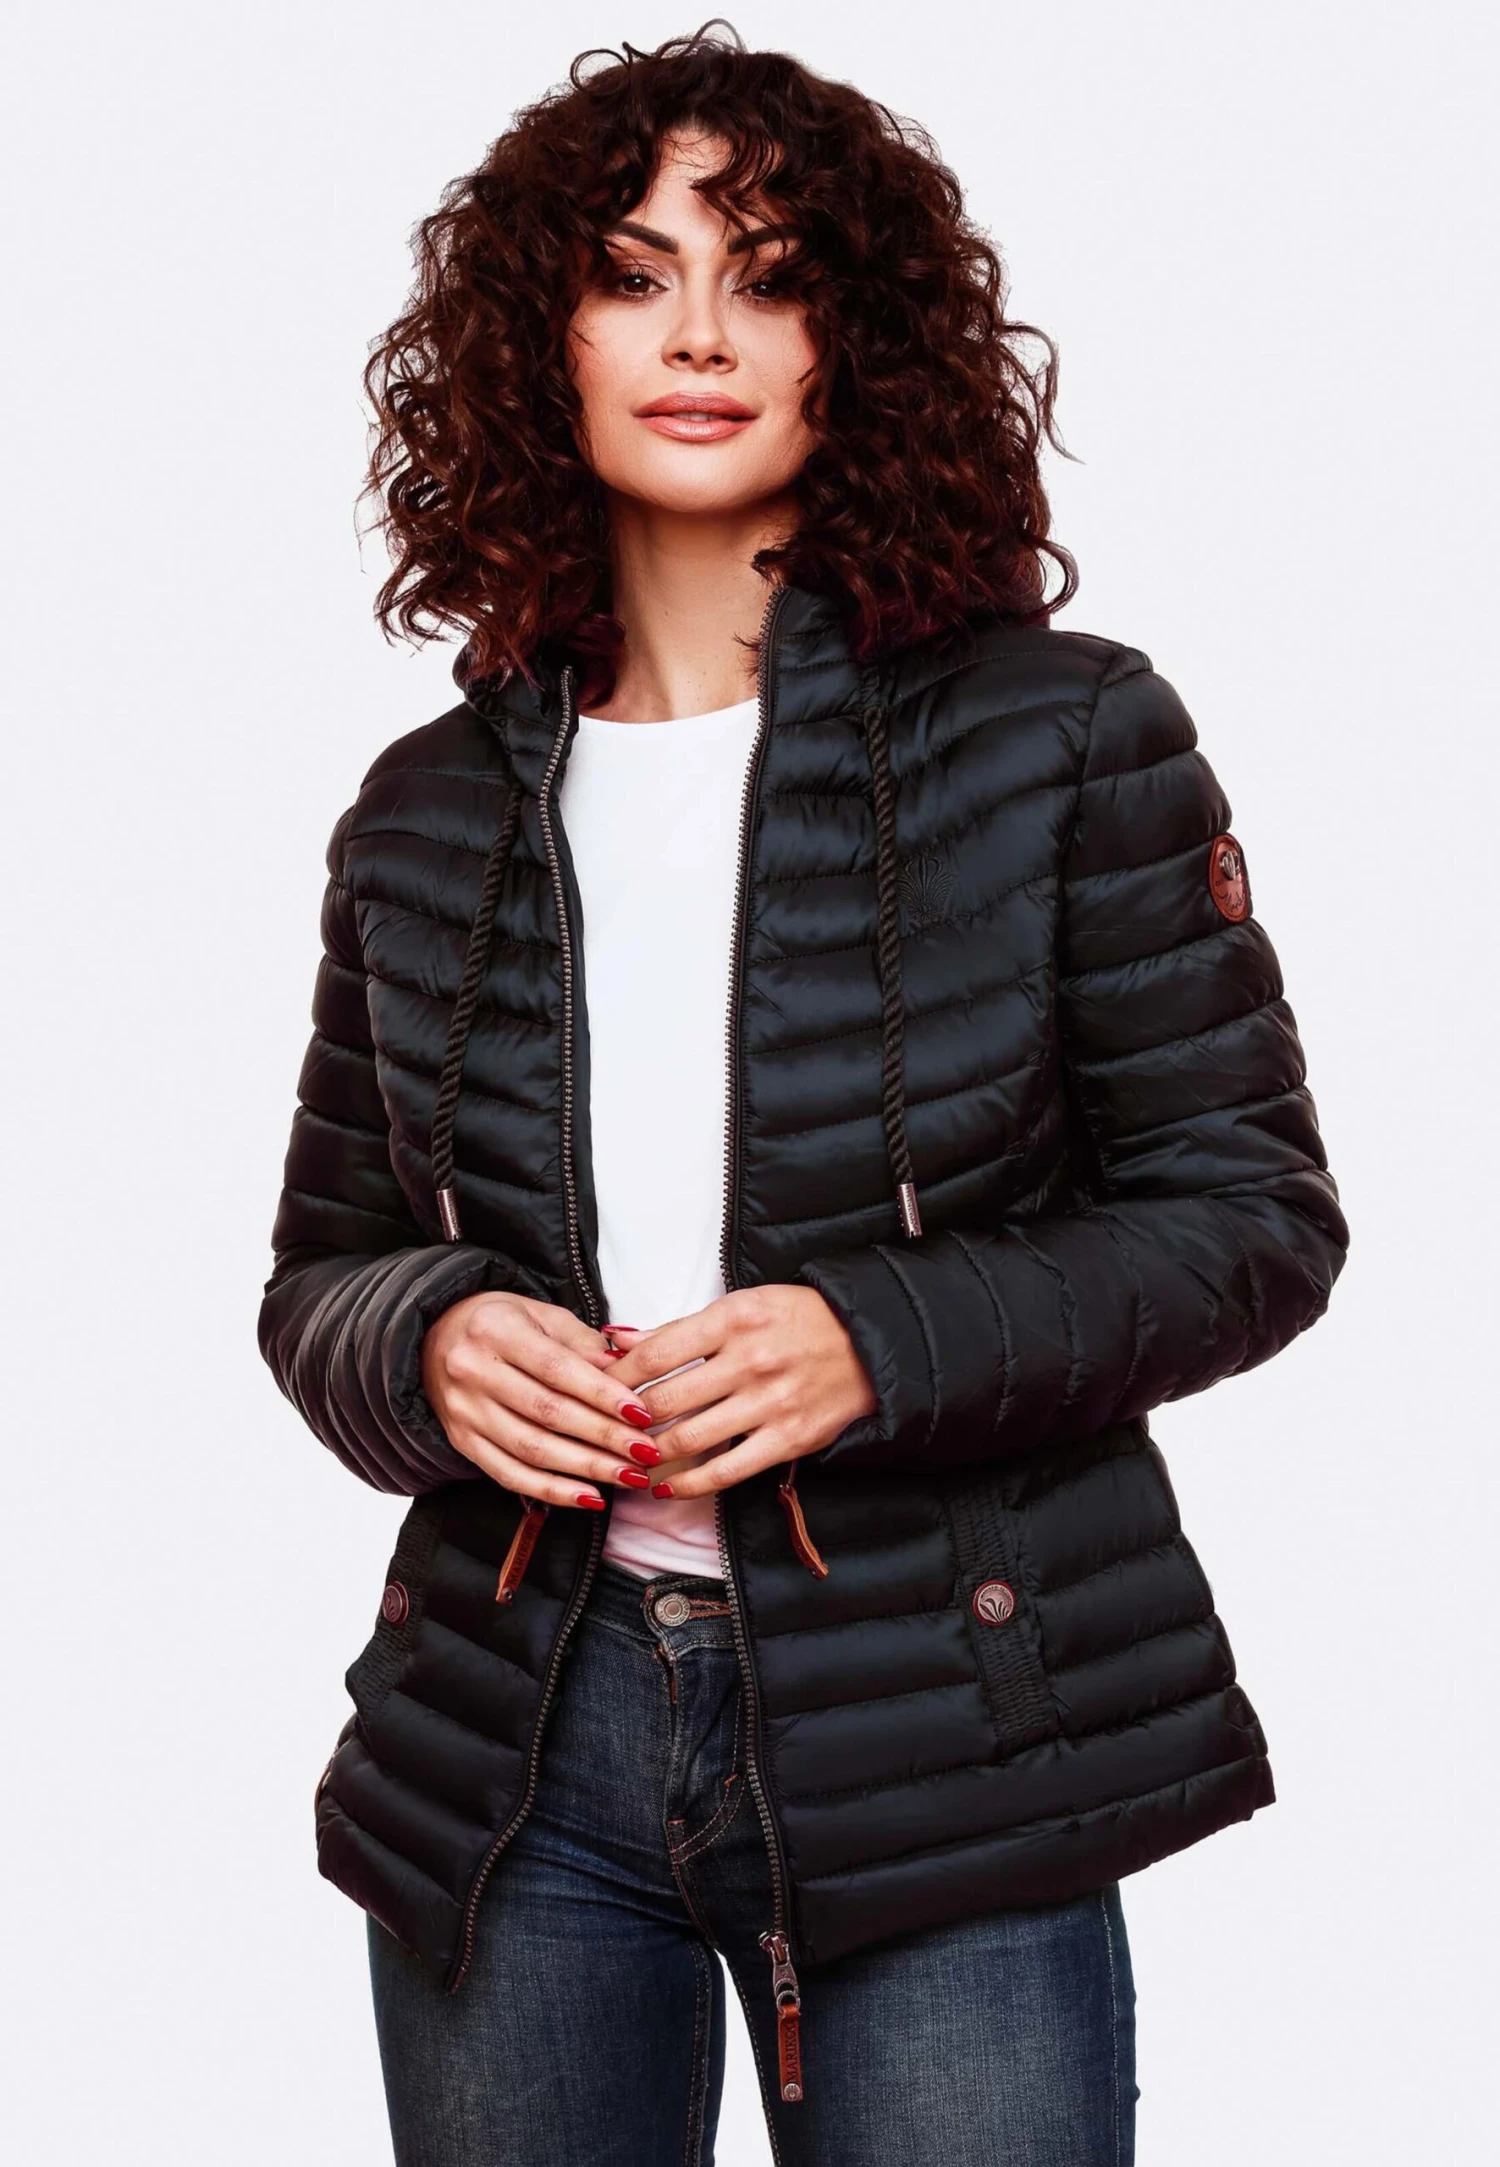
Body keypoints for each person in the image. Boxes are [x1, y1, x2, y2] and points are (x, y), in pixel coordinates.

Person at [257, 22, 1349, 2166]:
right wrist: (431, 1340)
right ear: (541, 341)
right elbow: (322, 1274)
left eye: (769, 278)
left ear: (863, 344)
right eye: (633, 274)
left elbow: (1251, 1218)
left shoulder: (1066, 737)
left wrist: (875, 1340)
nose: (700, 335)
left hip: (947, 1726)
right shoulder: (423, 811)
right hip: (514, 1747)